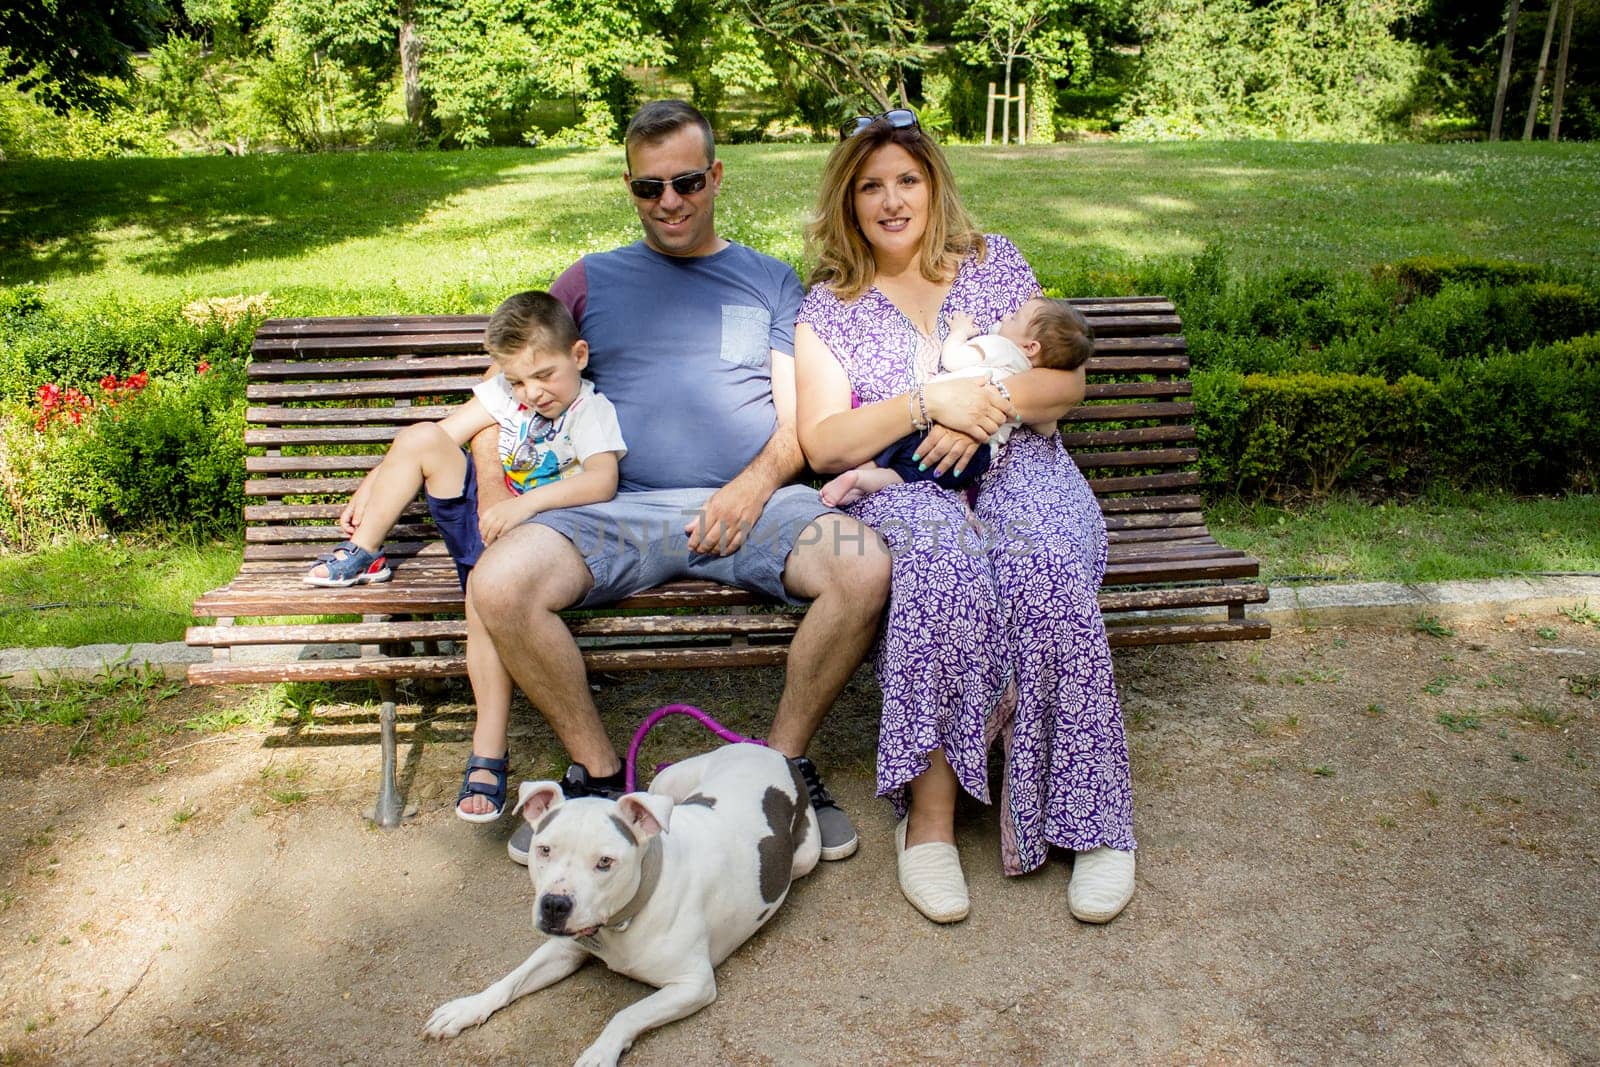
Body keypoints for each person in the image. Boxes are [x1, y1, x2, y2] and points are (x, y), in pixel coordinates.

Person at [464, 100, 891, 867]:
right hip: (614, 509)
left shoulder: (768, 280)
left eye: (687, 182)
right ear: (629, 185)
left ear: (716, 176)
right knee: (499, 585)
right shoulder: (588, 281)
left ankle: (779, 769)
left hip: (757, 506)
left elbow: (801, 425)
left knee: (862, 566)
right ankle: (597, 776)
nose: (669, 202)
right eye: (649, 187)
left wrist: (752, 486)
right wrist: (493, 495)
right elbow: (497, 396)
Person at [793, 108, 1137, 925]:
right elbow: (824, 440)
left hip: (1025, 466)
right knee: (941, 566)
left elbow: (1066, 383)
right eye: (870, 186)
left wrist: (974, 407)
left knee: (1046, 559)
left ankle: (1095, 821)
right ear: (847, 202)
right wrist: (922, 405)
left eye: (906, 179)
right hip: (910, 490)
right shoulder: (829, 307)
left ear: (933, 183)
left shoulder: (993, 264)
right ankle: (932, 824)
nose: (891, 200)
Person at [305, 291, 626, 823]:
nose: (532, 393)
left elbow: (602, 480)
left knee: (483, 599)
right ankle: (365, 551)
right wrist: (375, 484)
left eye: (544, 375)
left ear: (579, 355)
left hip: (534, 536)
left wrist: (525, 506)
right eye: (518, 381)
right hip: (480, 520)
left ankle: (488, 753)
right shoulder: (507, 394)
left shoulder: (591, 411)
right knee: (421, 435)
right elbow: (443, 436)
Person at [819, 297, 1094, 507]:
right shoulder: (1033, 377)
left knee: (894, 451)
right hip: (977, 456)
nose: (1007, 318)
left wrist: (960, 332)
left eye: (1015, 318)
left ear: (1030, 346)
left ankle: (858, 475)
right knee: (913, 475)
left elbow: (954, 360)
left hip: (933, 422)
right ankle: (863, 482)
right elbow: (1046, 427)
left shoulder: (999, 347)